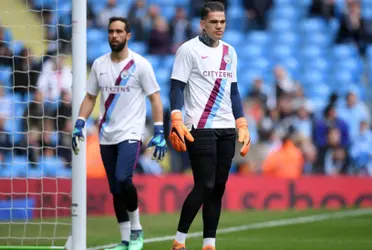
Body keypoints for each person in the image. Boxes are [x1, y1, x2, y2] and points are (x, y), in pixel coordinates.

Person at [71, 17, 167, 250]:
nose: (114, 35)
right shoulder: (99, 65)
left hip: (131, 132)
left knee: (124, 179)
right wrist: (80, 122)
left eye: (119, 31)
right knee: (115, 188)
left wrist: (159, 130)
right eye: (111, 31)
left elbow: (155, 98)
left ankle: (137, 230)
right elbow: (90, 97)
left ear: (128, 35)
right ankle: (125, 240)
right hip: (106, 134)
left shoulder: (140, 64)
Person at [168, 2, 251, 250]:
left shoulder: (230, 52)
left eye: (222, 22)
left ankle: (209, 244)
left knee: (218, 187)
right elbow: (177, 86)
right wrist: (176, 118)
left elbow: (233, 91)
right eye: (214, 22)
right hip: (200, 126)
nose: (219, 27)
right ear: (202, 24)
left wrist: (242, 122)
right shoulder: (187, 50)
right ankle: (179, 241)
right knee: (204, 185)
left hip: (227, 127)